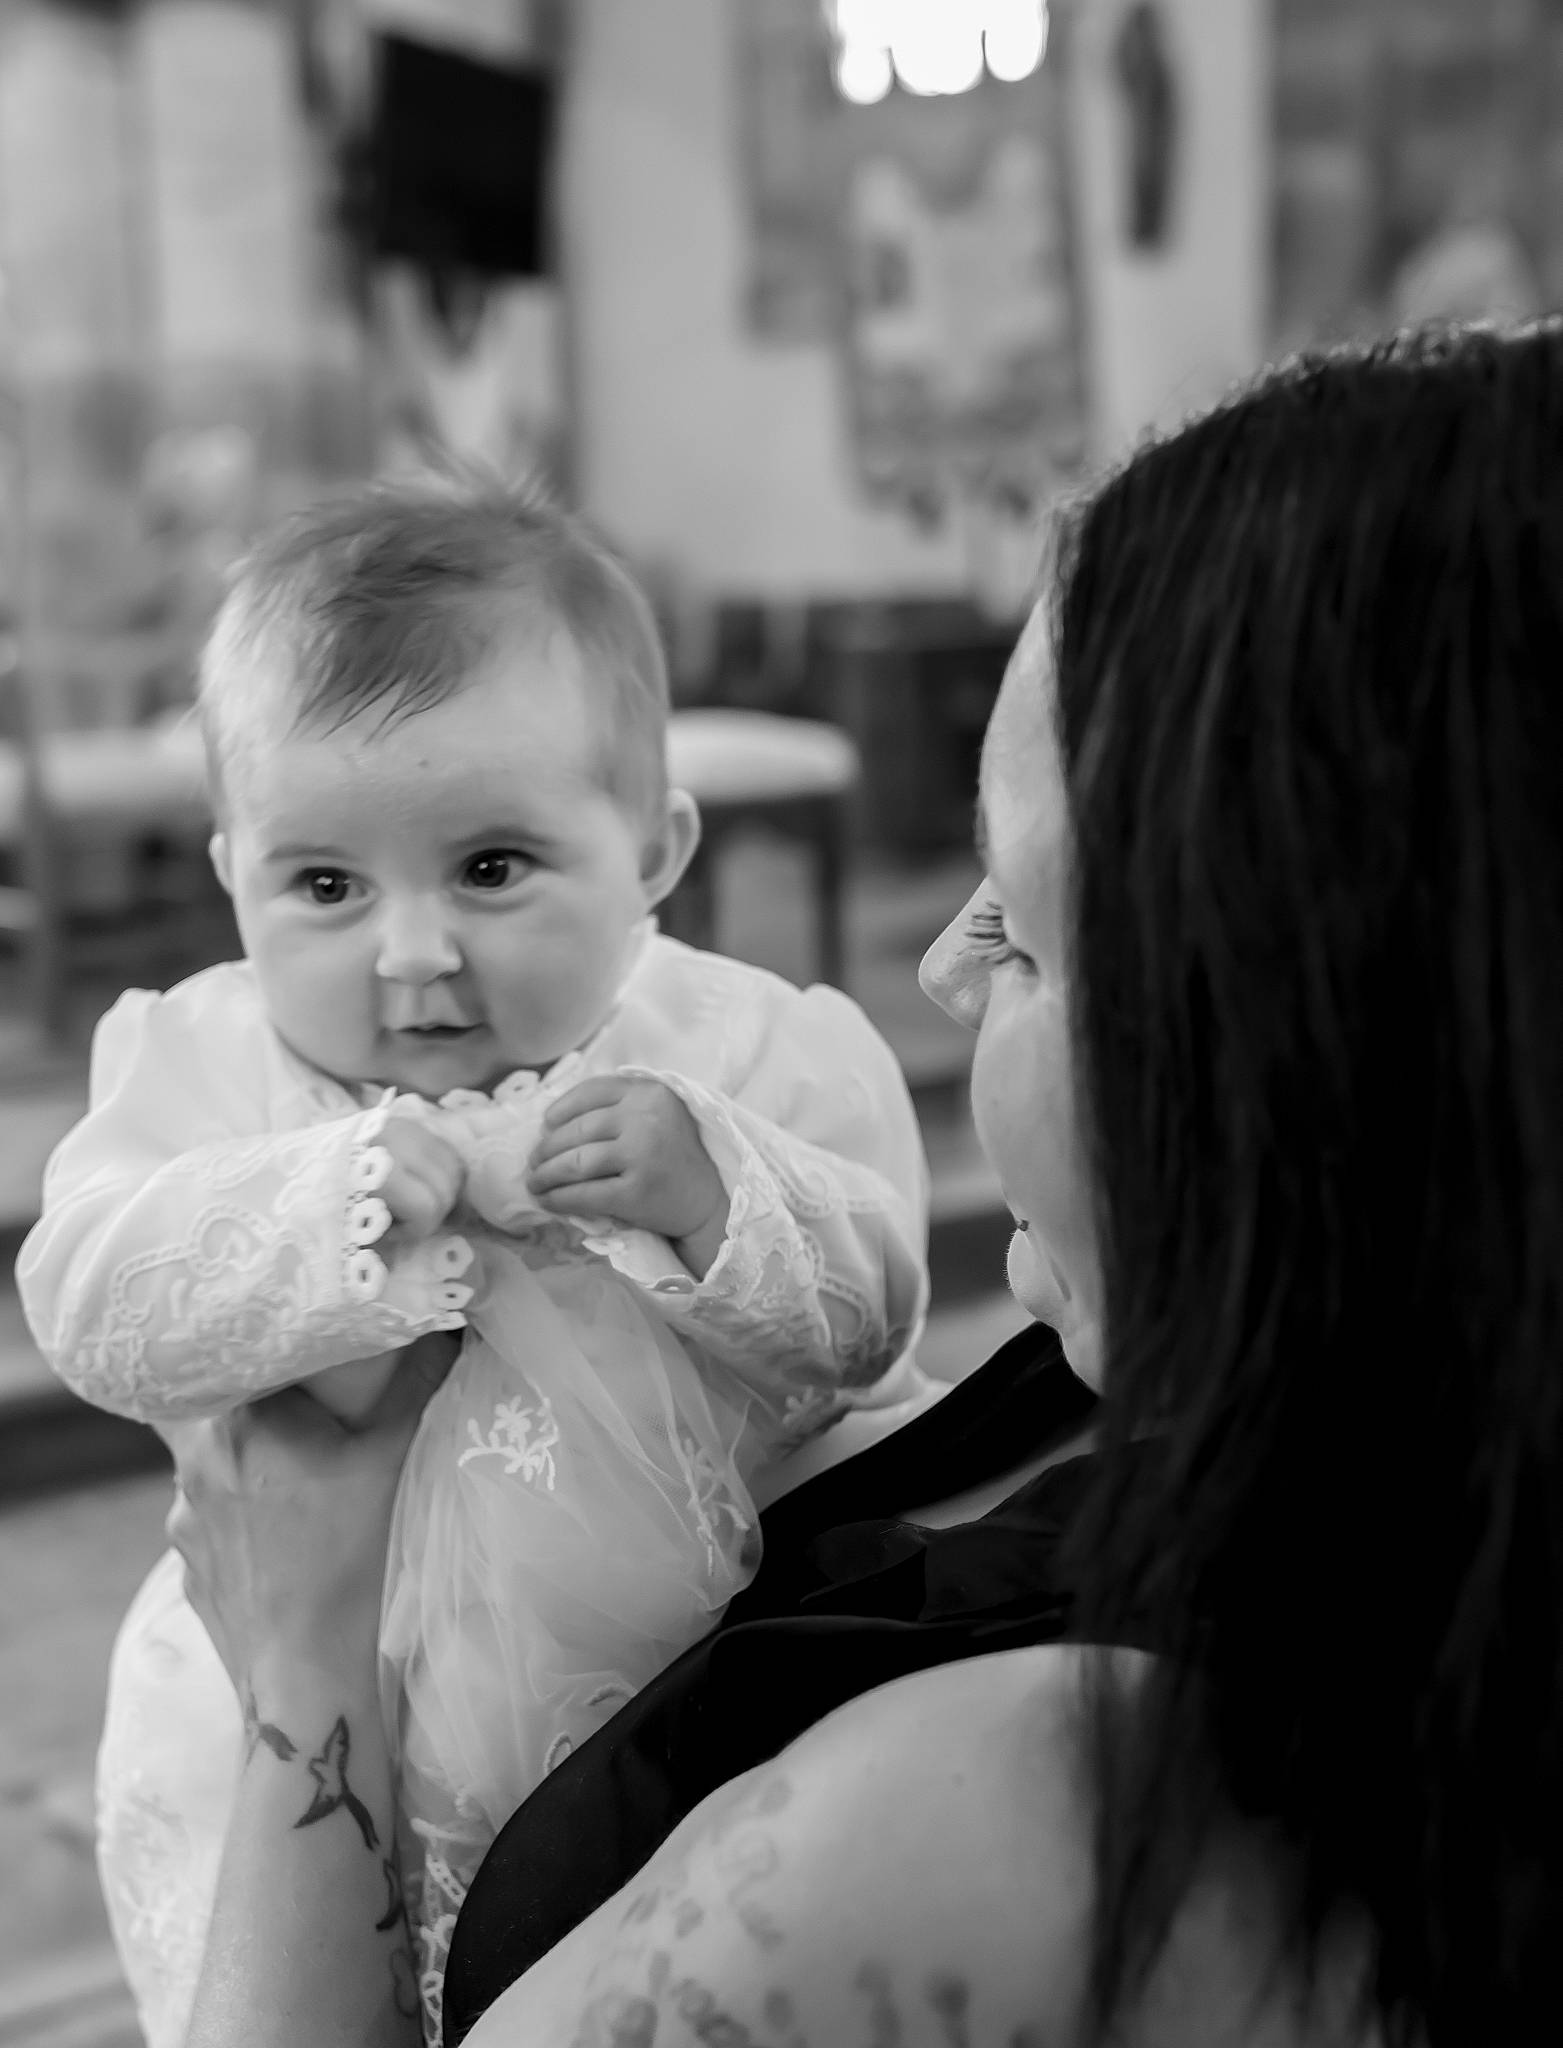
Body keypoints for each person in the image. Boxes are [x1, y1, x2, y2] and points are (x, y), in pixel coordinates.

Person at [167, 324, 1562, 2046]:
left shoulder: (1013, 1816)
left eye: (1027, 933)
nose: (952, 977)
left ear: (1301, 1042)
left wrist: (302, 1667)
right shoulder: (1196, 1401)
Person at [16, 475, 930, 2048]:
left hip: (672, 1714)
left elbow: (869, 1321)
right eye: (324, 886)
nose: (412, 953)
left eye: (492, 866)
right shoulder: (213, 1060)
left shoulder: (739, 1048)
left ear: (654, 846)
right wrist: (330, 1202)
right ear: (231, 870)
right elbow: (93, 1306)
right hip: (295, 1710)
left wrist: (720, 1196)